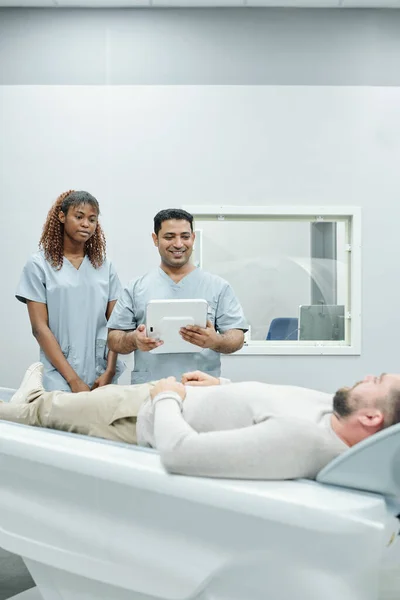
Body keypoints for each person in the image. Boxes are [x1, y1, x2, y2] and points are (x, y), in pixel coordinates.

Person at [1, 364, 400, 481]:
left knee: (43, 413)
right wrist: (221, 385)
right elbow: (267, 398)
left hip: (141, 414)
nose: (367, 377)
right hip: (168, 397)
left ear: (371, 417)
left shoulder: (307, 441)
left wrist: (168, 397)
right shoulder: (331, 412)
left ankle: (27, 402)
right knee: (56, 406)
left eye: (376, 383)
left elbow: (181, 453)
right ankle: (30, 399)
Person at [107, 208, 248, 384]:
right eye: (169, 237)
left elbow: (237, 337)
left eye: (185, 236)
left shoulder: (218, 287)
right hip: (150, 387)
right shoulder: (136, 288)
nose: (179, 244)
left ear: (193, 238)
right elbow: (114, 339)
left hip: (202, 387)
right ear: (155, 239)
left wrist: (215, 340)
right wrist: (134, 340)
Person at [16, 190, 124, 393]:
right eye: (79, 216)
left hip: (101, 375)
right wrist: (73, 380)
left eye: (92, 219)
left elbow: (116, 325)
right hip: (59, 375)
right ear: (62, 216)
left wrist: (109, 371)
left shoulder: (104, 267)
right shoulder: (39, 265)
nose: (86, 224)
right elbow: (39, 328)